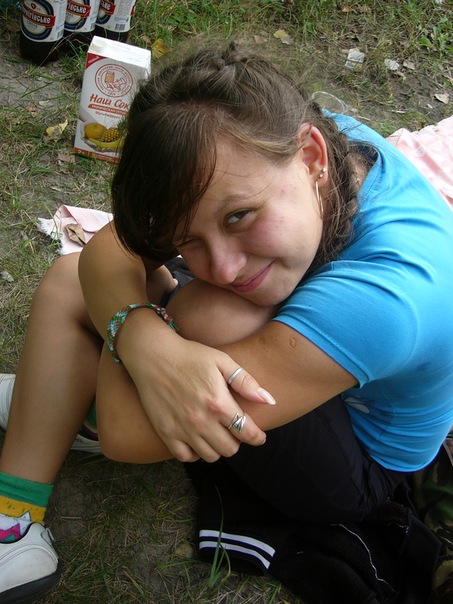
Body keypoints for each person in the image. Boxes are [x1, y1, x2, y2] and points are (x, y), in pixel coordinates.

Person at [0, 44, 452, 603]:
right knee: (75, 278)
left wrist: (139, 321)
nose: (222, 267)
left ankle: (70, 406)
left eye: (239, 217)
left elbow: (126, 434)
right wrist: (142, 335)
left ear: (312, 157)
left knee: (206, 311)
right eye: (187, 239)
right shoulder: (270, 135)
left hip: (359, 459)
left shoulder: (391, 296)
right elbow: (109, 248)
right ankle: (13, 522)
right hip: (317, 347)